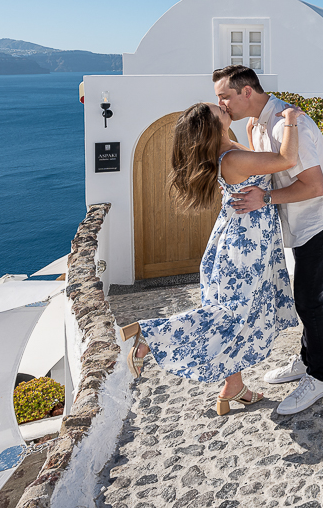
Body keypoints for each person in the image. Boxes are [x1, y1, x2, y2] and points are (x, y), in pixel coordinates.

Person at [118, 101, 302, 415]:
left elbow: (252, 164)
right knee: (231, 315)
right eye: (215, 109)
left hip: (236, 241)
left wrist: (249, 130)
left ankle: (234, 386)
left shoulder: (229, 150)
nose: (220, 105)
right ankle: (148, 335)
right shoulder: (233, 158)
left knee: (234, 318)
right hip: (245, 247)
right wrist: (291, 121)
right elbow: (287, 159)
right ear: (211, 126)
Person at [214, 64, 323, 415]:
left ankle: (320, 377)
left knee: (309, 299)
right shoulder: (255, 124)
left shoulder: (289, 124)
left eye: (225, 96)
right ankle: (307, 359)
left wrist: (264, 200)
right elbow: (267, 167)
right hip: (298, 219)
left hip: (320, 217)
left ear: (247, 91)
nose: (222, 103)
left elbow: (315, 186)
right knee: (304, 296)